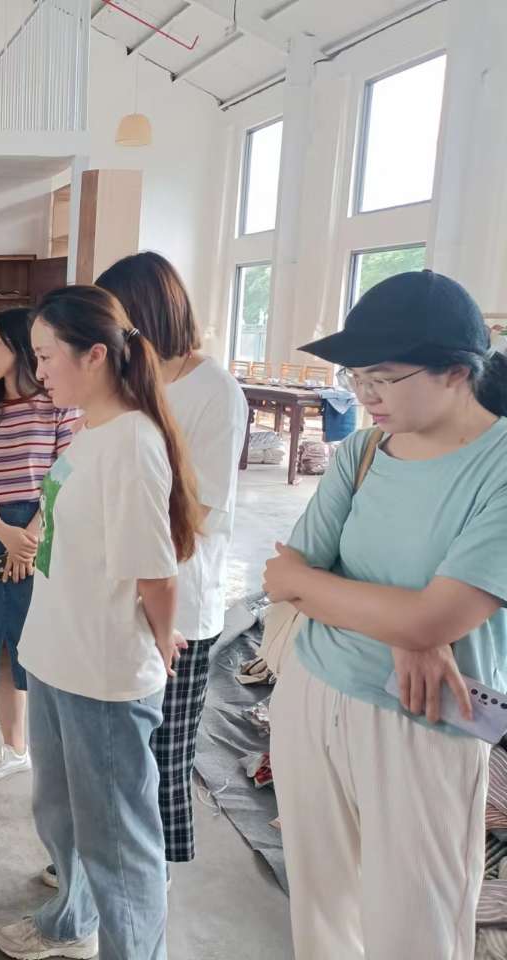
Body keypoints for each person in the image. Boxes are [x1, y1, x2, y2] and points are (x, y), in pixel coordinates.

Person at [263, 270, 507, 959]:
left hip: (425, 722)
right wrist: (402, 622)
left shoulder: (497, 466)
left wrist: (413, 624)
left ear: (457, 372)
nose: (363, 394)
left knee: (416, 926)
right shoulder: (365, 451)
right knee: (322, 911)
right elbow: (285, 572)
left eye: (384, 378)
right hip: (313, 693)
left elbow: (436, 618)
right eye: (356, 376)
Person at [0, 286, 198, 960]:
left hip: (103, 673)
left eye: (47, 356)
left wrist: (161, 638)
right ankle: (69, 920)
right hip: (56, 654)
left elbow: (156, 573)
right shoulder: (88, 432)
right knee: (61, 816)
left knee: (118, 840)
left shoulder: (134, 443)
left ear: (96, 355)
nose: (38, 370)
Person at [97, 253, 248, 868]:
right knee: (117, 745)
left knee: (163, 751)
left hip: (179, 603)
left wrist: (132, 530)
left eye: (117, 317)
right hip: (117, 591)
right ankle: (108, 855)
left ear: (147, 313)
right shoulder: (131, 381)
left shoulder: (215, 391)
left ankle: (149, 877)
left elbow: (202, 509)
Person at [0, 307, 79, 785]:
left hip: (43, 527)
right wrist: (4, 533)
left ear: (21, 346)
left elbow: (64, 474)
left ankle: (55, 747)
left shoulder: (57, 404)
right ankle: (14, 748)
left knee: (43, 637)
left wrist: (29, 536)